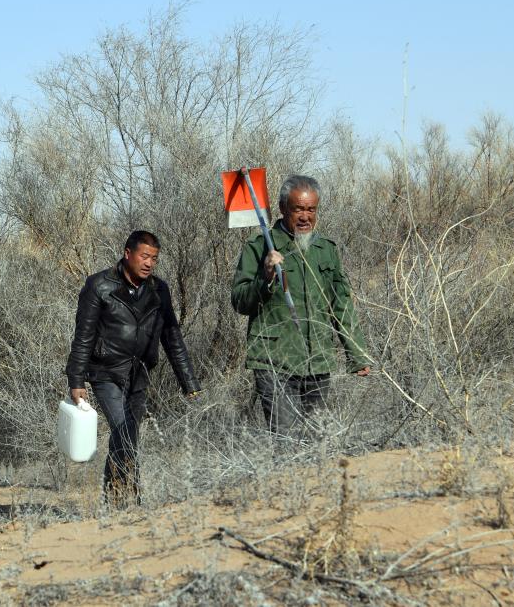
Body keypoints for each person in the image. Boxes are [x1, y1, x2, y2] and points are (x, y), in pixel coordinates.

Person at [66, 230, 200, 506]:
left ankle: (113, 500)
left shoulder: (158, 290)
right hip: (106, 373)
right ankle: (134, 500)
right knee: (124, 431)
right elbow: (84, 335)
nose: (149, 263)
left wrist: (188, 382)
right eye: (144, 256)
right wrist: (76, 379)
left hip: (139, 374)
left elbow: (171, 337)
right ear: (128, 254)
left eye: (154, 258)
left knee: (127, 437)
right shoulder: (99, 286)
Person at [231, 174, 370, 439]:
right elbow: (240, 301)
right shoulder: (261, 246)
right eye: (298, 209)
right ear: (283, 208)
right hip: (275, 361)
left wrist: (357, 354)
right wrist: (266, 276)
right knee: (286, 441)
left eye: (311, 209)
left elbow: (340, 303)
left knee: (316, 440)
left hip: (318, 360)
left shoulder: (326, 249)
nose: (305, 216)